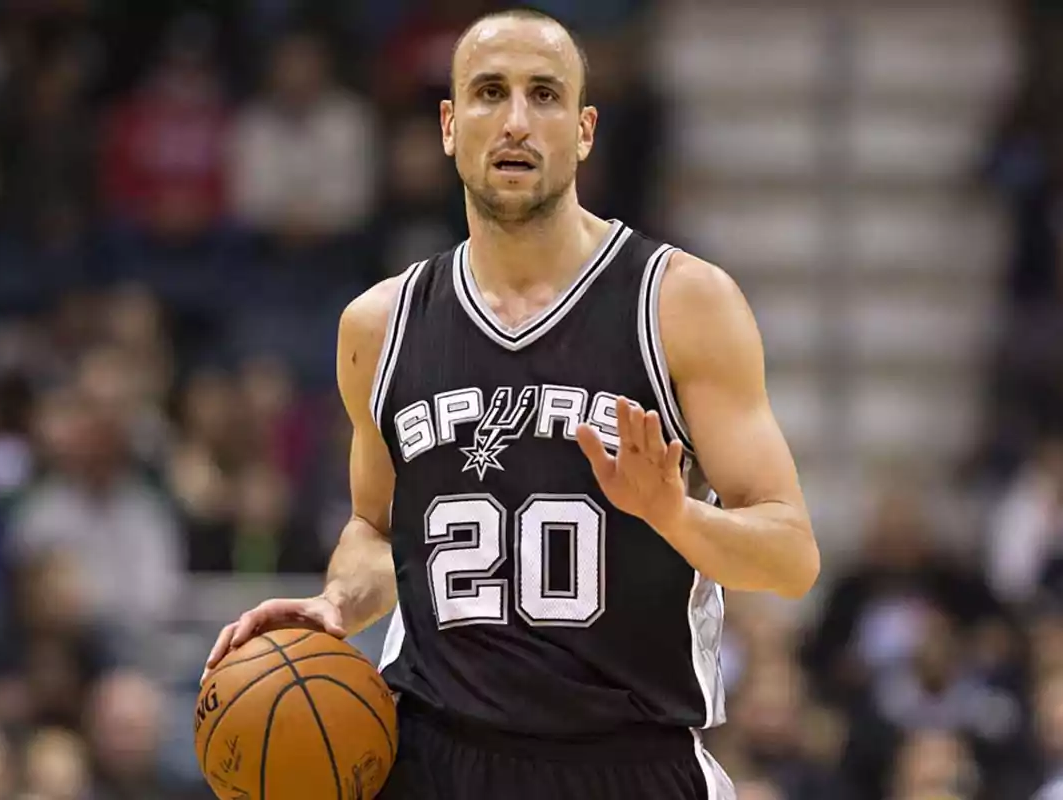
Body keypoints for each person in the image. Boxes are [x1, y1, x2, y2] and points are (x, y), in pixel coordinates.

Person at [202, 8, 820, 800]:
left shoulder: (681, 303)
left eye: (545, 95)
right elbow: (377, 529)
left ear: (585, 129)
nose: (517, 121)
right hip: (433, 755)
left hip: (627, 762)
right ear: (450, 126)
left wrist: (674, 516)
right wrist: (336, 602)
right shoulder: (378, 325)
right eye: (490, 93)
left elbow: (791, 555)